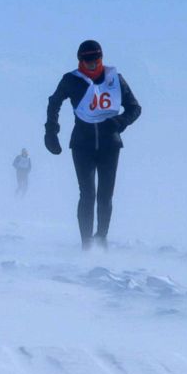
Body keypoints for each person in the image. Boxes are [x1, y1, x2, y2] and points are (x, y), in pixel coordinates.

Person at [44, 40, 141, 250]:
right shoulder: (71, 80)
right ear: (80, 60)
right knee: (87, 194)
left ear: (101, 58)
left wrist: (120, 122)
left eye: (95, 59)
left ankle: (101, 238)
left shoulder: (115, 79)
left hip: (110, 145)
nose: (91, 63)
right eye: (86, 60)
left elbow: (135, 108)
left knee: (105, 196)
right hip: (82, 145)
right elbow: (54, 102)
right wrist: (51, 131)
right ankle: (86, 245)